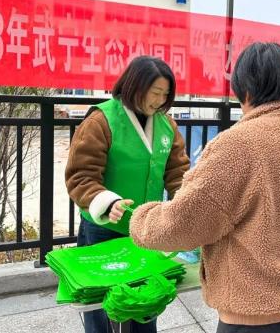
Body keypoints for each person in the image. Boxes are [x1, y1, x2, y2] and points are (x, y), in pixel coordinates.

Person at [129, 42, 280, 333]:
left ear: (247, 91)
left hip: (258, 311)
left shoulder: (239, 145)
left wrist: (140, 218)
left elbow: (183, 224)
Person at [65, 55, 190, 333]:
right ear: (135, 86)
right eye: (155, 93)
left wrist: (184, 202)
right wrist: (107, 202)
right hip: (104, 226)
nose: (159, 100)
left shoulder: (166, 124)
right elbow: (81, 175)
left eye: (165, 94)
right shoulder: (102, 119)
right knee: (100, 301)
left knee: (146, 300)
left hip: (145, 228)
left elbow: (177, 172)